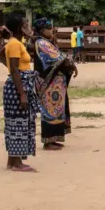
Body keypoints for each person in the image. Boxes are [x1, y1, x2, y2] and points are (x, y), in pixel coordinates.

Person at [33, 18, 78, 151]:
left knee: (57, 110)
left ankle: (55, 138)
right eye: (48, 28)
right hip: (48, 84)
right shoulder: (42, 43)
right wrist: (70, 63)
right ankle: (48, 140)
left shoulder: (48, 42)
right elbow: (58, 58)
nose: (51, 30)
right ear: (42, 30)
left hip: (56, 84)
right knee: (51, 110)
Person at [0, 15, 37, 172]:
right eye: (26, 25)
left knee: (16, 122)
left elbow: (1, 54)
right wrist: (22, 93)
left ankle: (12, 161)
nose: (29, 27)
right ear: (18, 28)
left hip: (19, 84)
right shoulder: (15, 44)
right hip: (18, 87)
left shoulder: (16, 43)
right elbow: (15, 69)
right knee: (18, 123)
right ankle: (16, 163)